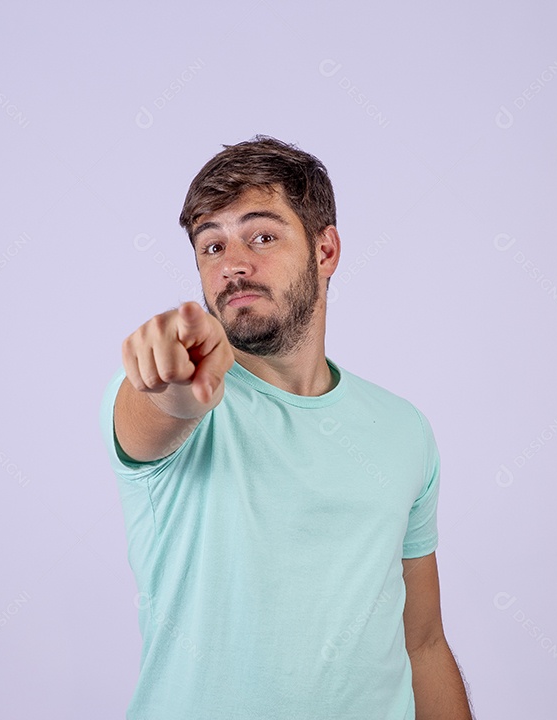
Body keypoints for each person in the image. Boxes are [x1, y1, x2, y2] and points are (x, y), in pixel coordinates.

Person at [99, 135, 473, 719]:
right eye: (211, 246)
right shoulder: (185, 397)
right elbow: (159, 410)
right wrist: (167, 373)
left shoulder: (404, 431)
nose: (233, 264)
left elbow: (422, 644)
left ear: (326, 252)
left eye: (262, 236)